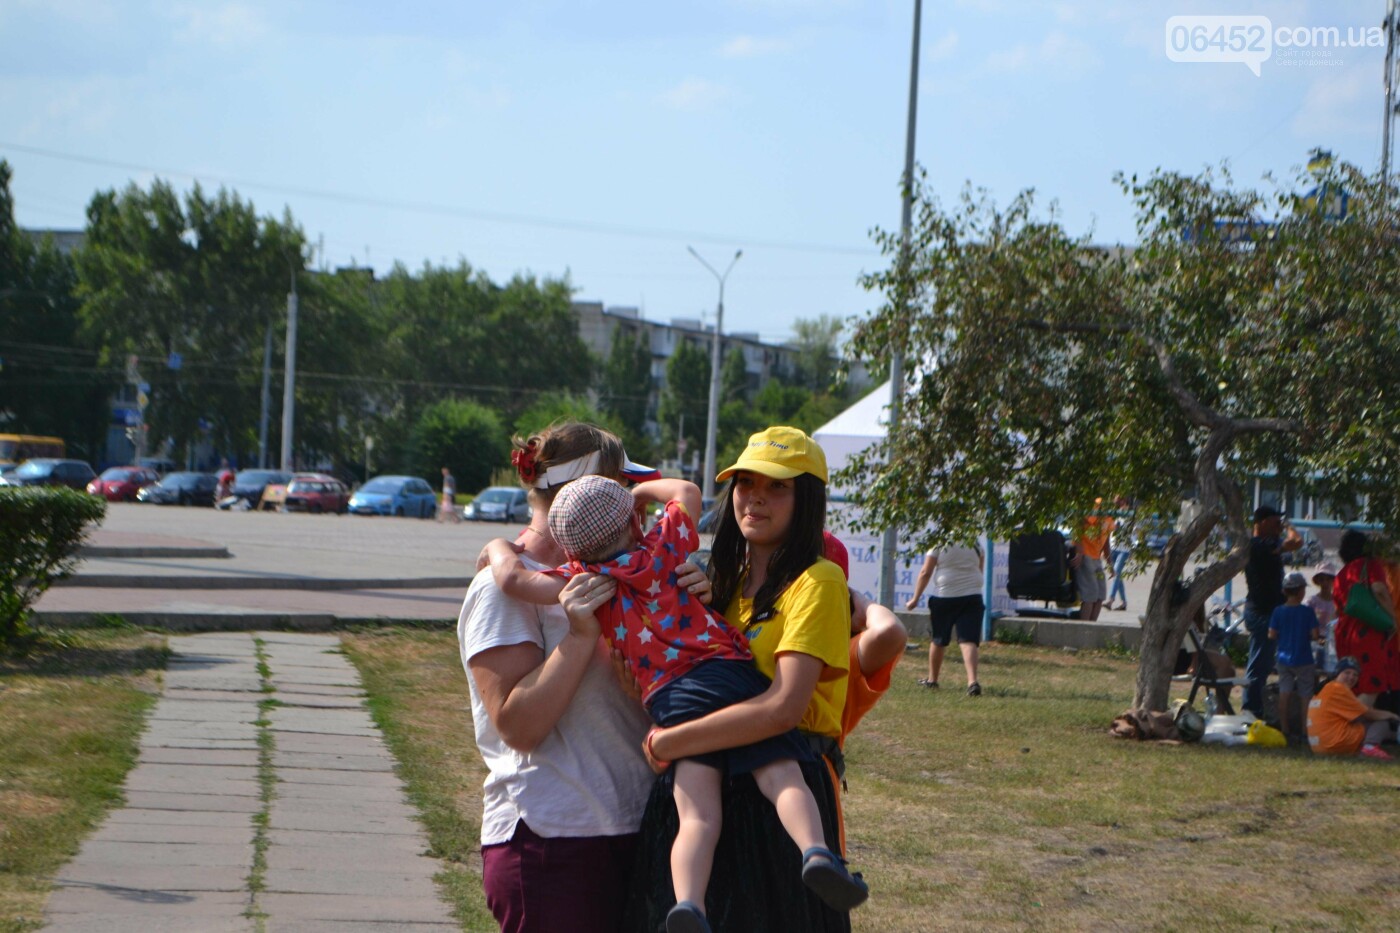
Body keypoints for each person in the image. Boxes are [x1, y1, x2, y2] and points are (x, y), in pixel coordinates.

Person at [484, 475, 866, 932]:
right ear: (632, 519)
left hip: (670, 699)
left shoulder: (584, 582)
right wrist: (639, 494)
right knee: (781, 771)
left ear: (571, 548)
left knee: (698, 814)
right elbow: (685, 492)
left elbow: (513, 580)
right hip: (727, 674)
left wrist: (497, 549)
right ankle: (815, 851)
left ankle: (689, 905)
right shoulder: (665, 547)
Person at [456, 422, 709, 933]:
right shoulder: (502, 589)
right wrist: (577, 637)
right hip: (552, 839)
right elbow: (517, 726)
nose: (635, 508)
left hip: (637, 826)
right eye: (623, 489)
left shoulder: (636, 571)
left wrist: (690, 607)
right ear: (587, 494)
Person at [622, 426, 857, 933]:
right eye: (746, 483)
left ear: (808, 499)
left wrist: (671, 741)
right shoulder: (718, 579)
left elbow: (783, 708)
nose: (755, 498)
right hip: (702, 788)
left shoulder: (818, 580)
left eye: (777, 487)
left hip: (778, 793)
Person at [1242, 505, 1303, 718]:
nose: (1279, 527)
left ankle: (1256, 707)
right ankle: (1251, 709)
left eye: (1280, 523)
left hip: (1269, 612)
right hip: (1261, 613)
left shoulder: (1266, 544)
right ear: (1263, 522)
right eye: (1276, 522)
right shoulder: (1261, 544)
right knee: (1260, 664)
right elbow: (1297, 541)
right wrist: (1288, 525)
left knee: (1265, 663)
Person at [905, 543, 985, 695]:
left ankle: (932, 680)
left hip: (944, 596)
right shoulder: (976, 543)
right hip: (973, 596)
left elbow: (925, 572)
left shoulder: (938, 543)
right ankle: (972, 682)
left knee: (939, 639)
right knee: (968, 640)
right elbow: (979, 570)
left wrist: (915, 599)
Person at [1332, 529, 1399, 707]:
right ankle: (1349, 726)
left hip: (1345, 634)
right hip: (1367, 633)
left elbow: (1338, 610)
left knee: (1352, 683)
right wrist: (1394, 619)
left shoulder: (1341, 574)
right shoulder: (1369, 564)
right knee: (1372, 685)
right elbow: (1379, 590)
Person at [1306, 656, 1400, 759]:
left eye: (1355, 675)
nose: (1351, 677)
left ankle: (1365, 748)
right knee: (1382, 723)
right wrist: (1392, 715)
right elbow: (1368, 714)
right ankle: (1370, 747)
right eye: (1347, 672)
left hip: (1318, 748)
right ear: (1337, 673)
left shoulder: (1326, 688)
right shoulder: (1339, 688)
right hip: (1334, 744)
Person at [1267, 571, 1320, 742]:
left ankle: (1285, 729)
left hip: (1283, 658)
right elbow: (1315, 635)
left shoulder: (1278, 611)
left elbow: (1271, 635)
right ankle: (1305, 731)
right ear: (1300, 591)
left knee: (1285, 692)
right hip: (1304, 658)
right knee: (1306, 695)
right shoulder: (1307, 612)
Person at [1071, 499, 1114, 621]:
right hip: (1086, 556)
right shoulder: (1097, 504)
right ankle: (1084, 627)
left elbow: (1106, 543)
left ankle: (1092, 624)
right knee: (1090, 595)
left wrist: (1110, 563)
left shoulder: (1110, 516)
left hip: (1097, 559)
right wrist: (1079, 552)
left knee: (1100, 595)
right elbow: (1078, 527)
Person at [1307, 562, 1339, 673]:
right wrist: (1316, 638)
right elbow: (1307, 623)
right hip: (1315, 639)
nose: (1325, 583)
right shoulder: (1312, 601)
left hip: (1333, 640)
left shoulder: (1338, 601)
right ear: (1318, 581)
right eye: (1322, 579)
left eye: (1328, 579)